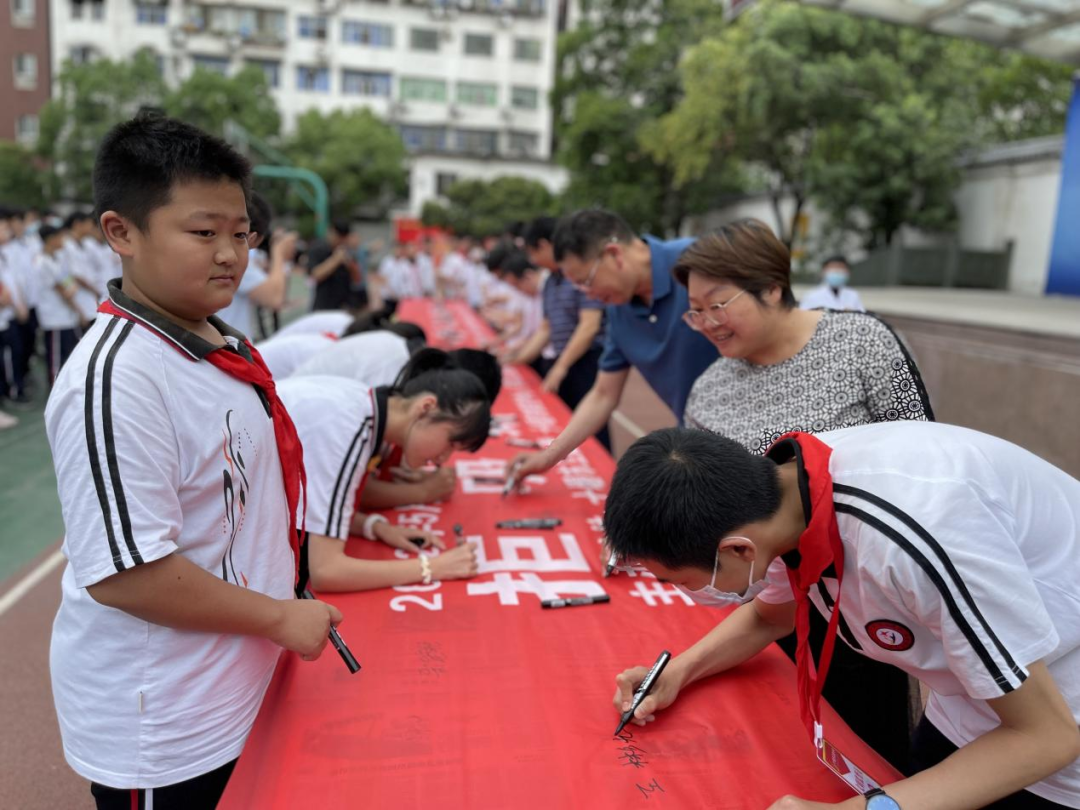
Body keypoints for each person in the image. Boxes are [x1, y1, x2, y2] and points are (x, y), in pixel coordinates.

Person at [45, 114, 341, 810]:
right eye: (203, 233)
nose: (230, 254)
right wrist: (275, 617)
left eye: (241, 235)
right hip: (169, 723)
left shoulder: (211, 340)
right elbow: (127, 575)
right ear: (121, 232)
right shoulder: (118, 378)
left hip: (234, 683)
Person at [605, 424, 1080, 810]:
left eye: (681, 582)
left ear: (737, 549)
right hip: (981, 692)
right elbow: (771, 617)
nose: (687, 595)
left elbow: (1046, 737)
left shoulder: (911, 543)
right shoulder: (785, 497)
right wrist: (678, 672)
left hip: (1056, 714)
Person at [674, 219, 933, 768]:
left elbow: (926, 459)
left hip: (873, 600)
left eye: (717, 305)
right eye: (694, 311)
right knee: (780, 753)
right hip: (771, 604)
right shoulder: (709, 390)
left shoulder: (864, 343)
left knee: (870, 750)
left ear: (772, 286)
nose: (705, 324)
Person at [507, 209, 714, 484]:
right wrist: (548, 457)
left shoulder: (697, 259)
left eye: (586, 282)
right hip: (704, 443)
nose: (588, 295)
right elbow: (604, 394)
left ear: (614, 254)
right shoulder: (618, 309)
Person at [277, 348, 489, 591]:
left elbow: (316, 504)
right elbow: (327, 571)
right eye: (450, 443)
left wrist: (376, 527)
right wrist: (434, 567)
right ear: (426, 407)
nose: (443, 459)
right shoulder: (351, 426)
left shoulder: (362, 405)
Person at [510, 215, 609, 449]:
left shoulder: (579, 274)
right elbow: (546, 328)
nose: (532, 261)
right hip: (565, 361)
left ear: (544, 245)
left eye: (532, 253)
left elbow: (589, 325)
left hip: (586, 361)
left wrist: (561, 366)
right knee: (565, 425)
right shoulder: (551, 281)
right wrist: (516, 359)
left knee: (592, 429)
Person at [215, 192, 296, 336]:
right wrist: (279, 252)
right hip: (230, 348)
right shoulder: (236, 261)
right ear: (254, 238)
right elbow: (275, 298)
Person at [35, 223, 88, 385]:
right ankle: (54, 393)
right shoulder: (42, 262)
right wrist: (80, 311)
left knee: (68, 355)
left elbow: (69, 283)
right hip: (55, 319)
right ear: (51, 239)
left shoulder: (57, 258)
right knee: (56, 360)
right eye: (60, 237)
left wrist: (71, 288)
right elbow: (65, 291)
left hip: (66, 316)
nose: (63, 240)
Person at [306, 219, 360, 312]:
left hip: (344, 305)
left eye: (344, 238)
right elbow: (316, 275)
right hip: (323, 306)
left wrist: (349, 264)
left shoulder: (347, 250)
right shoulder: (318, 248)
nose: (340, 240)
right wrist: (336, 260)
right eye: (338, 236)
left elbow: (357, 279)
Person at [800, 255, 865, 312]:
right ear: (823, 271)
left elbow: (863, 317)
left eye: (841, 268)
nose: (837, 271)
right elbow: (803, 319)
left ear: (848, 272)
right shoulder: (811, 296)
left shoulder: (853, 295)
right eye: (833, 268)